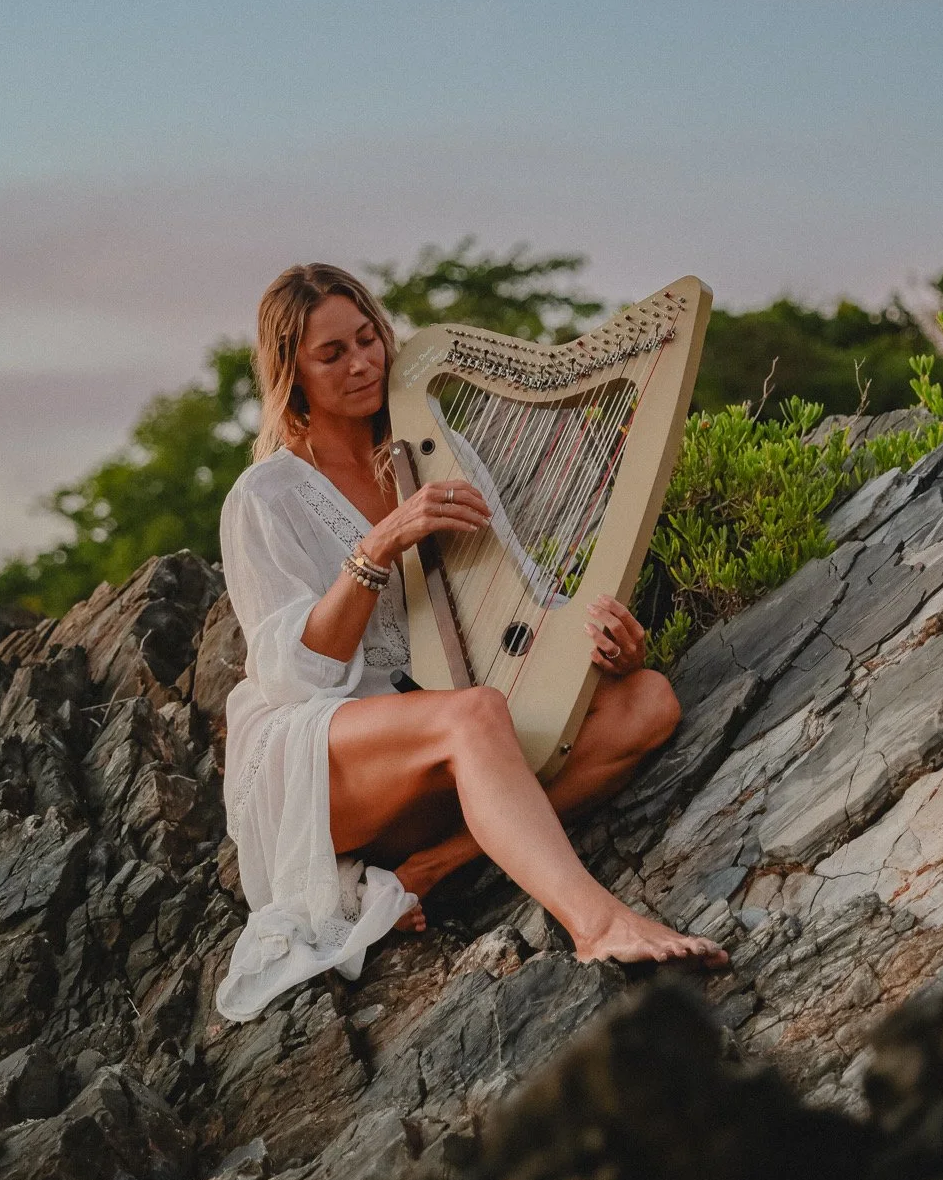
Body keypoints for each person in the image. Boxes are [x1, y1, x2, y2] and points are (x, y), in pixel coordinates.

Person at [213, 262, 728, 1023]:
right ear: (293, 375)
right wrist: (381, 543)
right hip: (315, 765)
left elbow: (513, 589)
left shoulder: (432, 451)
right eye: (332, 354)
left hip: (433, 740)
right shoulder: (266, 495)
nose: (361, 363)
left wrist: (603, 645)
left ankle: (435, 866)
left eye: (367, 339)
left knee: (645, 702)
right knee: (473, 713)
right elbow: (294, 676)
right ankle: (596, 924)